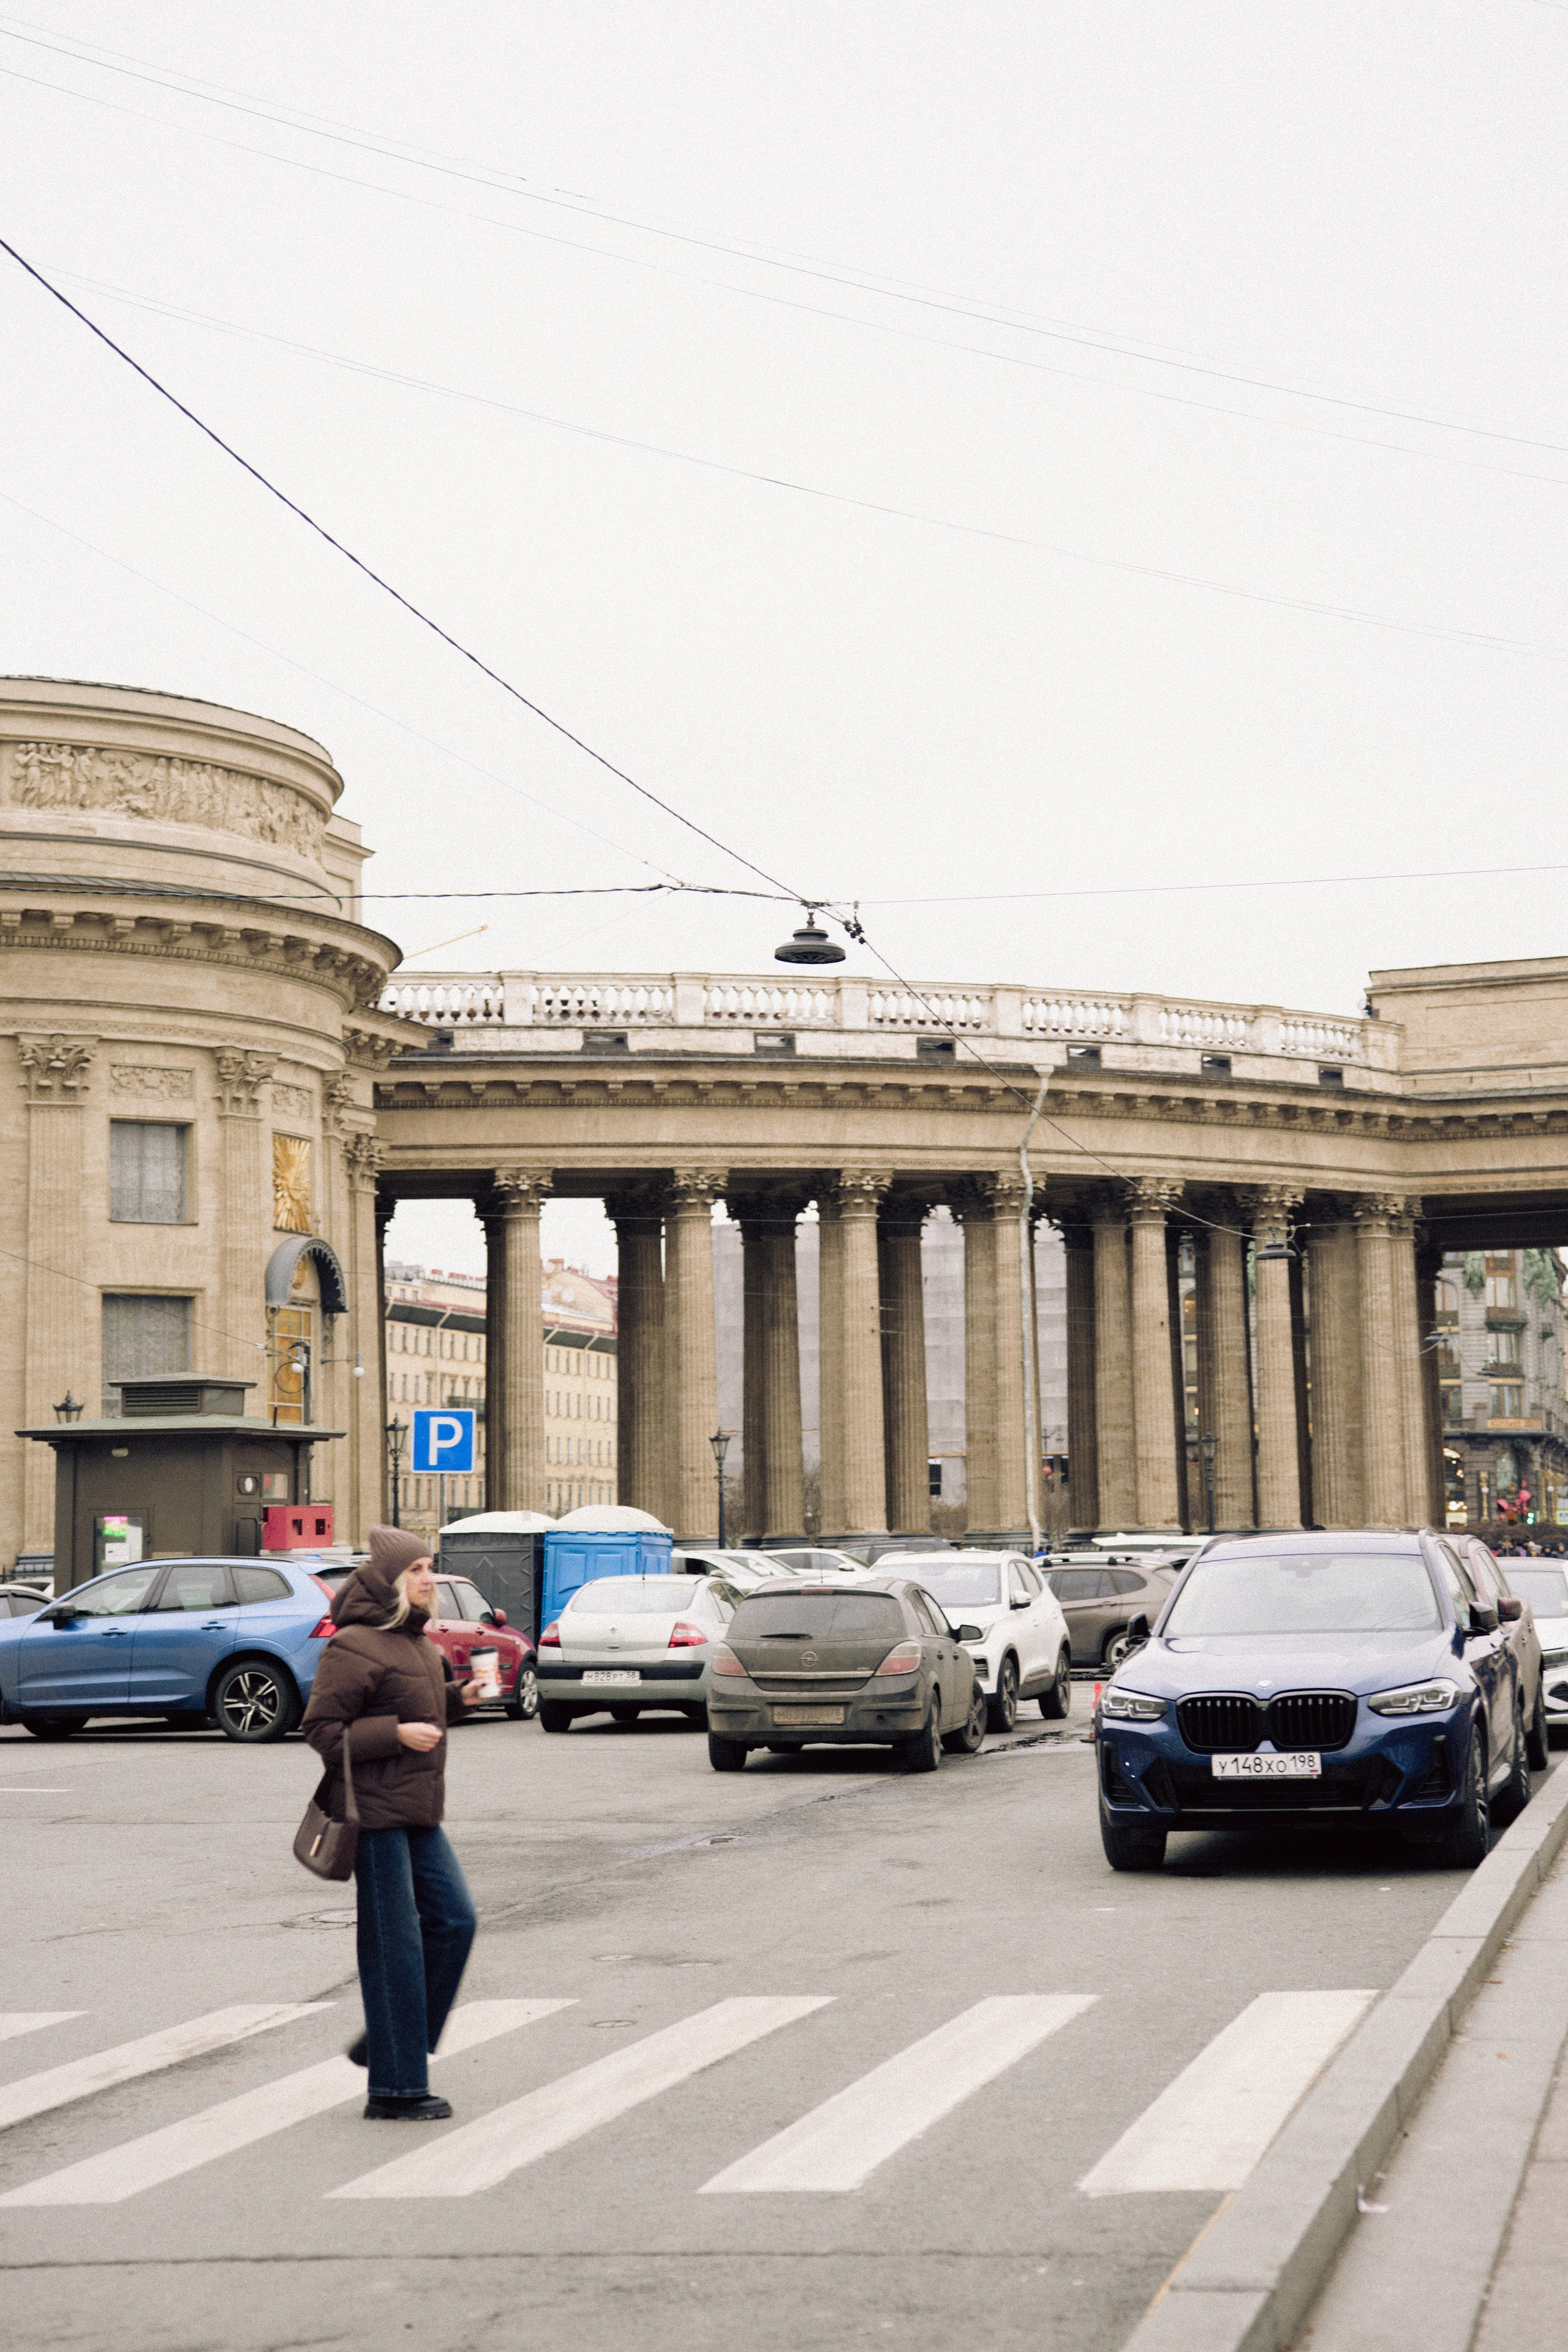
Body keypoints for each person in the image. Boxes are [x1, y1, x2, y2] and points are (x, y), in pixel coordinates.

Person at [303, 1525, 482, 2120]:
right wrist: (396, 1734)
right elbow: (322, 1731)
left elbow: (423, 1708)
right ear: (389, 1582)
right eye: (417, 1571)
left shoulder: (415, 1644)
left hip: (417, 1811)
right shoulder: (353, 1645)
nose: (429, 1579)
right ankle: (396, 2088)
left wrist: (463, 1700)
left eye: (430, 1567)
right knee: (395, 1950)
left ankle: (387, 2043)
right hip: (374, 1816)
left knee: (455, 1922)